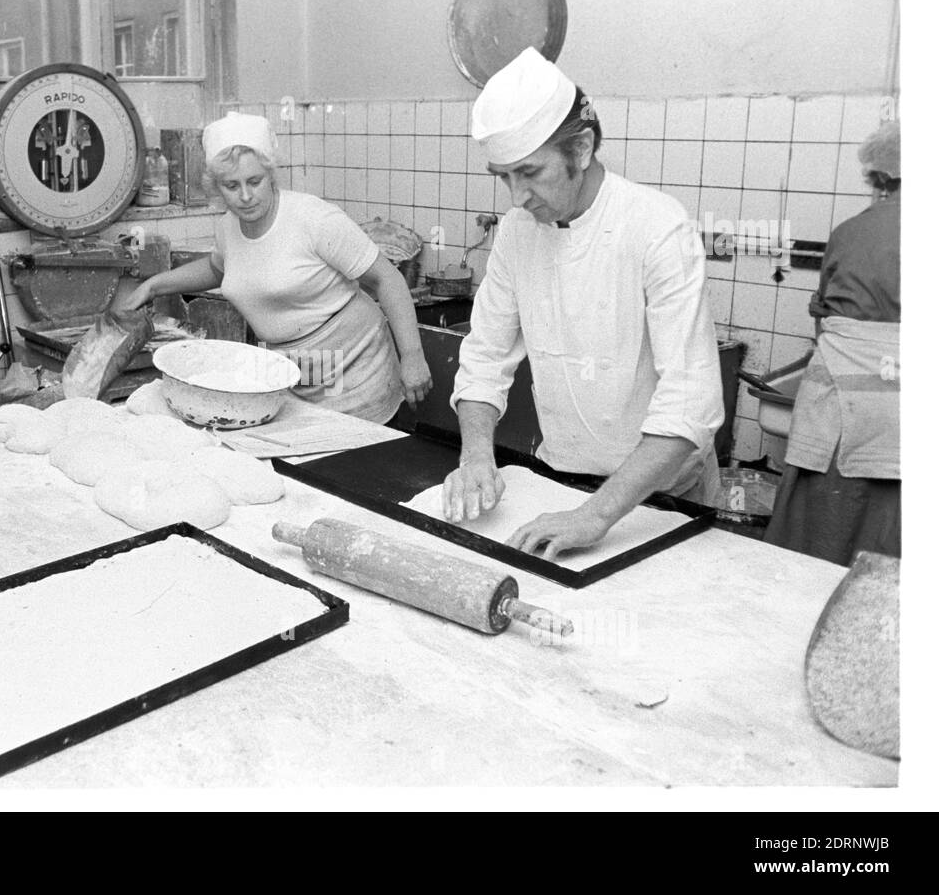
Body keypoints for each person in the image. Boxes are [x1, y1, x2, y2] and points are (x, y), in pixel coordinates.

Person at [441, 47, 724, 560]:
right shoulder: (516, 235)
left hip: (660, 497)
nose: (517, 197)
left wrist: (596, 515)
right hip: (561, 480)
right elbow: (484, 358)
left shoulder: (658, 227)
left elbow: (691, 403)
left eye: (530, 172)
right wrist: (476, 455)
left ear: (584, 147)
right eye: (503, 176)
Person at [122, 111, 431, 423]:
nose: (245, 196)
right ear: (215, 186)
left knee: (349, 462)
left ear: (271, 174)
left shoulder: (314, 219)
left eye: (254, 181)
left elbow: (387, 279)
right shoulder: (229, 227)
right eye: (231, 185)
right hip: (292, 369)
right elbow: (219, 269)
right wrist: (154, 285)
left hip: (357, 368)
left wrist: (413, 357)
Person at [764, 121, 900, 565]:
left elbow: (824, 320)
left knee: (818, 537)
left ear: (880, 177)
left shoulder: (848, 232)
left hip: (837, 404)